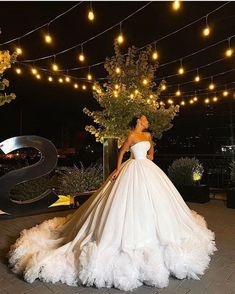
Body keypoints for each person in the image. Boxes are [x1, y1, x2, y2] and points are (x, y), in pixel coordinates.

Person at [7, 114, 217, 292]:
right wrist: (117, 169)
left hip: (148, 171)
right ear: (138, 121)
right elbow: (122, 152)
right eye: (144, 119)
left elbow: (152, 150)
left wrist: (150, 155)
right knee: (124, 204)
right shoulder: (132, 136)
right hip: (132, 169)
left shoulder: (147, 135)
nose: (146, 121)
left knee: (157, 204)